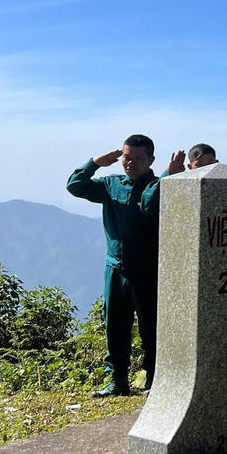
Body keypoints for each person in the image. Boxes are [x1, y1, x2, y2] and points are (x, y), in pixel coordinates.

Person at [66, 135, 162, 397]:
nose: (130, 163)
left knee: (151, 327)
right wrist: (95, 163)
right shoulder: (111, 185)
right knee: (115, 326)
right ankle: (117, 380)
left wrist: (169, 176)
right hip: (115, 268)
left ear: (151, 160)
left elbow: (150, 202)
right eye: (126, 157)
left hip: (147, 270)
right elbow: (75, 186)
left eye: (138, 158)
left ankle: (154, 380)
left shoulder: (158, 186)